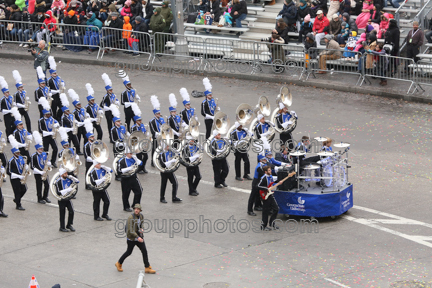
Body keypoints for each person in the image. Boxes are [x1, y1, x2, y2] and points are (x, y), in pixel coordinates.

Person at [115, 204, 156, 274]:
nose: (136, 210)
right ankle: (119, 263)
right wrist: (137, 237)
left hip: (139, 236)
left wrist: (141, 228)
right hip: (132, 238)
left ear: (140, 210)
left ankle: (147, 267)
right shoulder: (131, 217)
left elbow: (141, 223)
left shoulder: (141, 216)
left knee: (144, 251)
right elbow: (130, 230)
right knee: (129, 252)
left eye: (138, 209)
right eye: (135, 209)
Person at [258, 165, 284, 231]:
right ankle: (263, 226)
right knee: (265, 211)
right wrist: (267, 188)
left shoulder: (270, 177)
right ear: (266, 172)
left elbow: (272, 182)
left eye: (270, 170)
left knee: (276, 208)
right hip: (265, 195)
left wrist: (279, 182)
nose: (271, 171)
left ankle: (272, 223)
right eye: (269, 170)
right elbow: (258, 186)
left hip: (270, 194)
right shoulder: (263, 178)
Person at [7, 137, 28, 211]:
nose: (18, 154)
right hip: (15, 178)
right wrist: (18, 176)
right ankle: (18, 205)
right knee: (17, 191)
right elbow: (8, 172)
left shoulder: (21, 158)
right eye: (17, 153)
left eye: (19, 152)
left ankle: (17, 199)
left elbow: (23, 165)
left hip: (21, 177)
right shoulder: (11, 161)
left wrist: (26, 168)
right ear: (14, 153)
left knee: (24, 189)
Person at [55, 167, 78, 232]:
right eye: (65, 173)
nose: (67, 174)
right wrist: (67, 190)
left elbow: (77, 181)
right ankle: (62, 227)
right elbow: (58, 192)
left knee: (71, 211)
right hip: (62, 199)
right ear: (62, 174)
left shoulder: (68, 179)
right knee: (62, 213)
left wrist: (72, 177)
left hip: (68, 198)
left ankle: (69, 224)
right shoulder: (58, 181)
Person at [31, 133, 52, 204]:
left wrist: (49, 163)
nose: (42, 149)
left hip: (44, 171)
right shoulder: (33, 156)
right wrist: (40, 172)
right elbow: (32, 166)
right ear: (37, 149)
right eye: (40, 148)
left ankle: (45, 197)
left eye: (42, 148)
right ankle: (39, 198)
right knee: (39, 186)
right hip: (37, 173)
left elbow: (47, 160)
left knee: (47, 184)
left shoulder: (44, 154)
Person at [101, 73, 120, 140]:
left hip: (114, 112)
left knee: (116, 124)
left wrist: (117, 102)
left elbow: (116, 100)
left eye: (112, 90)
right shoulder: (105, 96)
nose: (111, 91)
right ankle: (111, 137)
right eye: (110, 90)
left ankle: (116, 136)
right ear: (107, 90)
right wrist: (108, 108)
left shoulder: (114, 95)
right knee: (110, 125)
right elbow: (101, 104)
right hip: (108, 112)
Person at [47, 56, 65, 122]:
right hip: (53, 97)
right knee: (53, 110)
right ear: (51, 74)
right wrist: (57, 91)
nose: (56, 74)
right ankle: (55, 120)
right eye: (54, 73)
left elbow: (63, 82)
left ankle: (59, 116)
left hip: (59, 96)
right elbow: (48, 90)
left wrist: (63, 84)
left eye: (56, 73)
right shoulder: (49, 80)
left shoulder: (58, 78)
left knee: (63, 107)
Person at [149, 95, 165, 167]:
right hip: (156, 137)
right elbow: (152, 130)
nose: (159, 114)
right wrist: (158, 134)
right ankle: (153, 161)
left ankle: (161, 159)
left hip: (162, 136)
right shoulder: (152, 121)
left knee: (162, 148)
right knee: (154, 149)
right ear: (155, 114)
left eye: (159, 113)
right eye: (158, 113)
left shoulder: (161, 119)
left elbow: (164, 126)